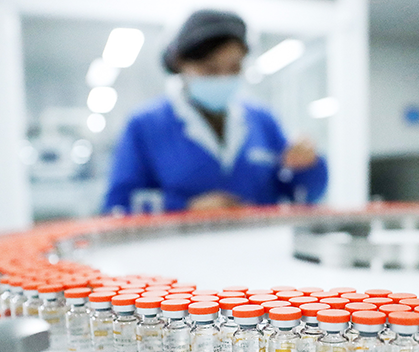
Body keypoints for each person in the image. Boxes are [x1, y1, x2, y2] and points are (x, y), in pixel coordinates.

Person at [104, 10, 328, 213]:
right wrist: (186, 208)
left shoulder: (263, 120)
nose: (223, 79)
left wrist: (308, 167)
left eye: (234, 68)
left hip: (258, 250)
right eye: (210, 69)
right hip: (177, 252)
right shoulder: (145, 125)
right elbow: (118, 204)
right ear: (180, 64)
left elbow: (299, 194)